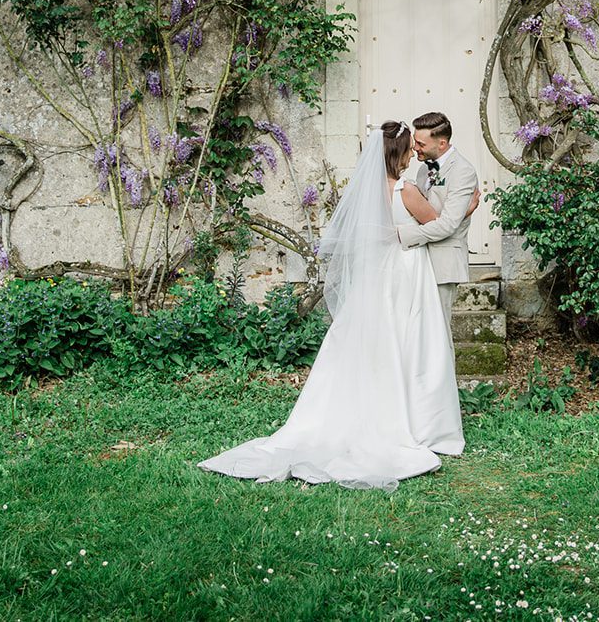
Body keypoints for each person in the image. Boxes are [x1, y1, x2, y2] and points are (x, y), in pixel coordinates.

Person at [198, 120, 467, 490]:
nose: (412, 155)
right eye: (409, 150)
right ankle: (417, 422)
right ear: (398, 153)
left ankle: (364, 412)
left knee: (373, 347)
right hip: (404, 274)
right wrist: (465, 208)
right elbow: (437, 222)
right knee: (411, 343)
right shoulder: (405, 189)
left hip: (375, 279)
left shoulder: (369, 192)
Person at [398, 111, 480, 322]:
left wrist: (404, 236)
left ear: (442, 144)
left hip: (443, 261)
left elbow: (447, 226)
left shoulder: (463, 171)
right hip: (418, 259)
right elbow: (421, 213)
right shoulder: (423, 171)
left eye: (420, 144)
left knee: (438, 329)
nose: (415, 148)